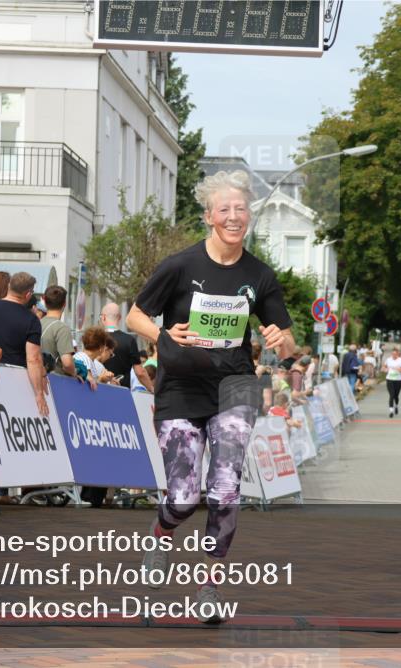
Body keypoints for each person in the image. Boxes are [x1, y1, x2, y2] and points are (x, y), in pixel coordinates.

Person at [126, 169, 294, 624]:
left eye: (241, 209)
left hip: (236, 385)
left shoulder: (259, 274)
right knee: (183, 496)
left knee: (224, 490)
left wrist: (282, 339)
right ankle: (162, 532)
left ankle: (209, 586)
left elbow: (289, 341)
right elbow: (134, 315)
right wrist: (163, 332)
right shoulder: (180, 266)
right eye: (226, 209)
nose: (235, 216)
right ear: (209, 217)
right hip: (180, 387)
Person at [0, 272, 49, 416]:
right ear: (28, 294)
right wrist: (39, 394)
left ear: (9, 286)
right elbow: (33, 359)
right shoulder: (31, 320)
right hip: (16, 384)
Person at [101, 302, 153, 391]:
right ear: (120, 317)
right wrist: (152, 389)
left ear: (103, 317)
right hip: (122, 392)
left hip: (98, 389)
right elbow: (140, 372)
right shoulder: (129, 340)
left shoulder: (97, 339)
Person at [39, 285, 76, 378]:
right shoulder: (61, 328)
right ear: (64, 304)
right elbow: (67, 363)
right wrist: (75, 373)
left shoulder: (36, 323)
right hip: (54, 381)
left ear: (45, 303)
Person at [383, 348, 401, 418]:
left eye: (395, 354)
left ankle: (396, 406)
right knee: (391, 395)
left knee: (396, 396)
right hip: (389, 379)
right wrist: (385, 369)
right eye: (393, 354)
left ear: (398, 354)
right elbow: (384, 367)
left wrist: (400, 369)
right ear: (391, 354)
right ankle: (391, 411)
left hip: (398, 380)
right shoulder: (388, 360)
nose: (394, 355)